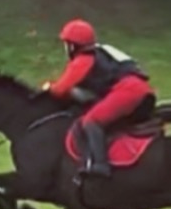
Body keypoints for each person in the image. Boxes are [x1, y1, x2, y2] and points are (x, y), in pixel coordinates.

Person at [41, 19, 156, 179]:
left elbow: (61, 89)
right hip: (143, 89)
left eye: (66, 44)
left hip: (126, 91)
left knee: (91, 121)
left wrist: (48, 88)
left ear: (72, 46)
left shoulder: (83, 60)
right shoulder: (105, 50)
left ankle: (100, 165)